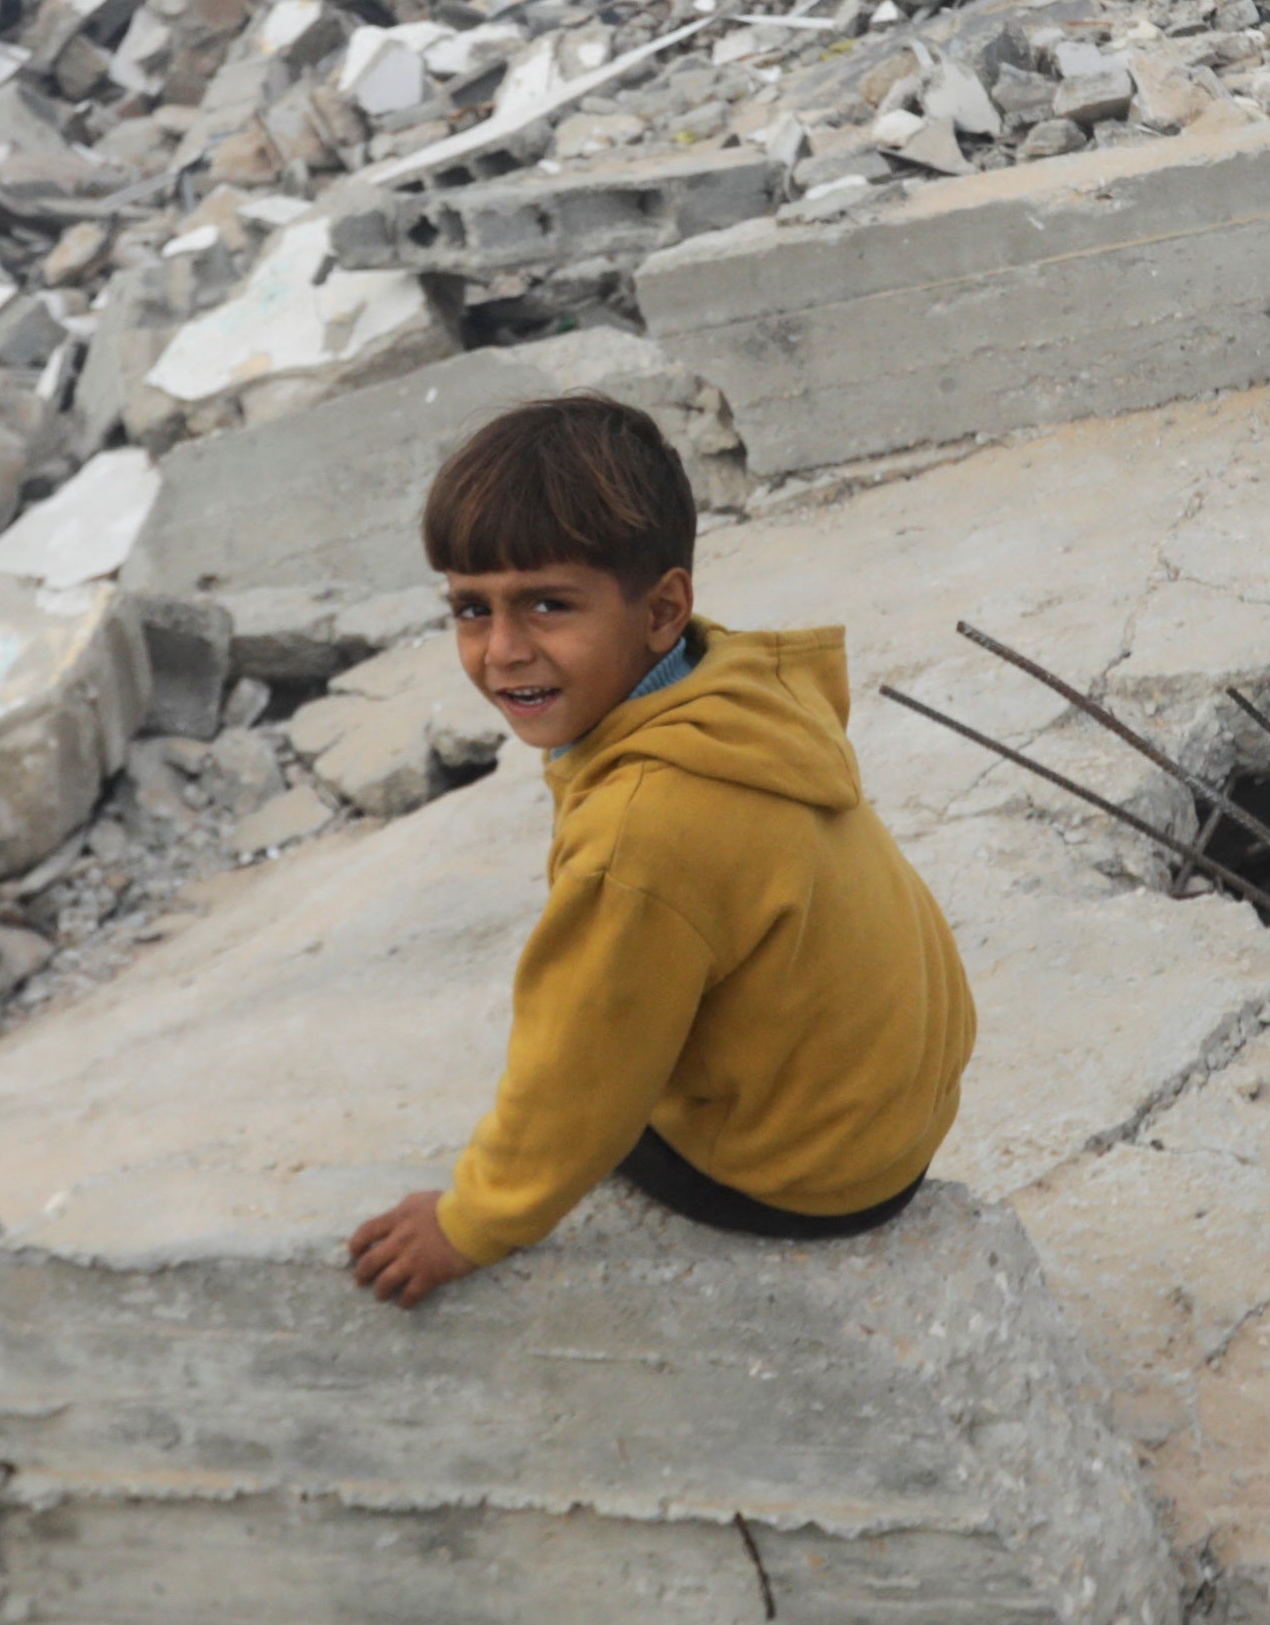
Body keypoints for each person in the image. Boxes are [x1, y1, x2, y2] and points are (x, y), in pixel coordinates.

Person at [344, 394, 977, 1307]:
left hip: (805, 1177)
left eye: (547, 604)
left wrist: (468, 1222)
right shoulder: (739, 694)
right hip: (895, 1122)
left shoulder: (641, 830)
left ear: (662, 607)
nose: (502, 651)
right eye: (471, 609)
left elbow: (578, 1073)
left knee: (588, 1050)